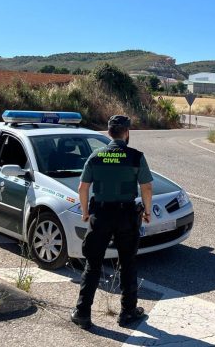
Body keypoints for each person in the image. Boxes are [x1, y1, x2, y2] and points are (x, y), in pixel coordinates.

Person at [71, 115, 154, 329]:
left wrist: (85, 212)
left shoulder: (96, 156)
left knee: (93, 264)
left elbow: (83, 188)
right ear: (126, 133)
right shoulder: (136, 157)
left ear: (109, 133)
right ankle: (127, 313)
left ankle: (82, 313)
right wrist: (146, 211)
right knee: (128, 264)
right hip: (126, 216)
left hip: (101, 215)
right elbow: (146, 187)